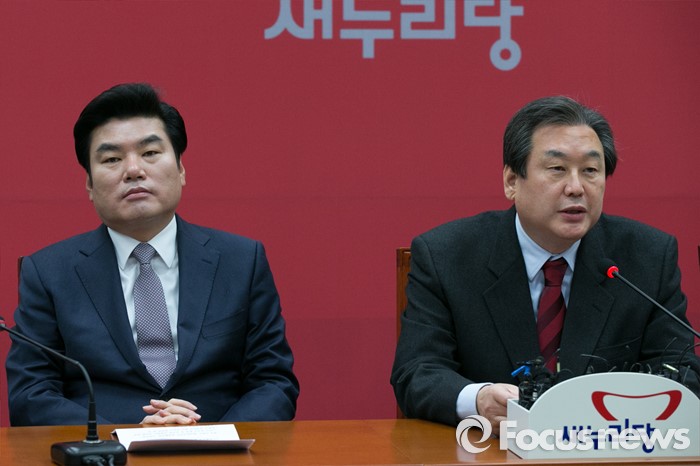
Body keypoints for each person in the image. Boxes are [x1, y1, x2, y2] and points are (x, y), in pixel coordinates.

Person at [391, 95, 700, 430]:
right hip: (490, 449)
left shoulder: (647, 258)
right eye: (557, 169)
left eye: (590, 171)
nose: (576, 188)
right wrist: (478, 399)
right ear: (512, 181)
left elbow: (680, 371)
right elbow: (417, 372)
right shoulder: (446, 256)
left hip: (607, 448)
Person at [6, 82, 299, 426]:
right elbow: (30, 394)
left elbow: (273, 382)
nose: (133, 170)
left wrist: (212, 438)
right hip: (104, 451)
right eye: (112, 159)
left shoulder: (241, 261)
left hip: (221, 447)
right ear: (89, 184)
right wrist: (122, 437)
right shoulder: (49, 273)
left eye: (150, 153)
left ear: (181, 169)